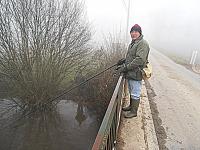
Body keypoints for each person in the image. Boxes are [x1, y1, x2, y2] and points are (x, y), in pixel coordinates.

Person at [117, 24, 150, 118]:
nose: (133, 33)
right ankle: (131, 106)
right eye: (132, 32)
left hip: (136, 73)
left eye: (136, 31)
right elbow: (132, 56)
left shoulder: (142, 43)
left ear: (140, 33)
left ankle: (134, 112)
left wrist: (126, 67)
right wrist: (124, 60)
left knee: (135, 92)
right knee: (132, 91)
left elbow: (140, 59)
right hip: (131, 73)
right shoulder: (133, 43)